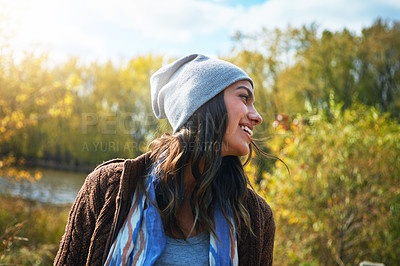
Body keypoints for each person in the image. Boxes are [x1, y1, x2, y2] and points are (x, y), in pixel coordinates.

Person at [54, 54, 275, 265]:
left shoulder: (256, 217)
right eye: (244, 98)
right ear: (203, 104)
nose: (257, 116)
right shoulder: (108, 188)